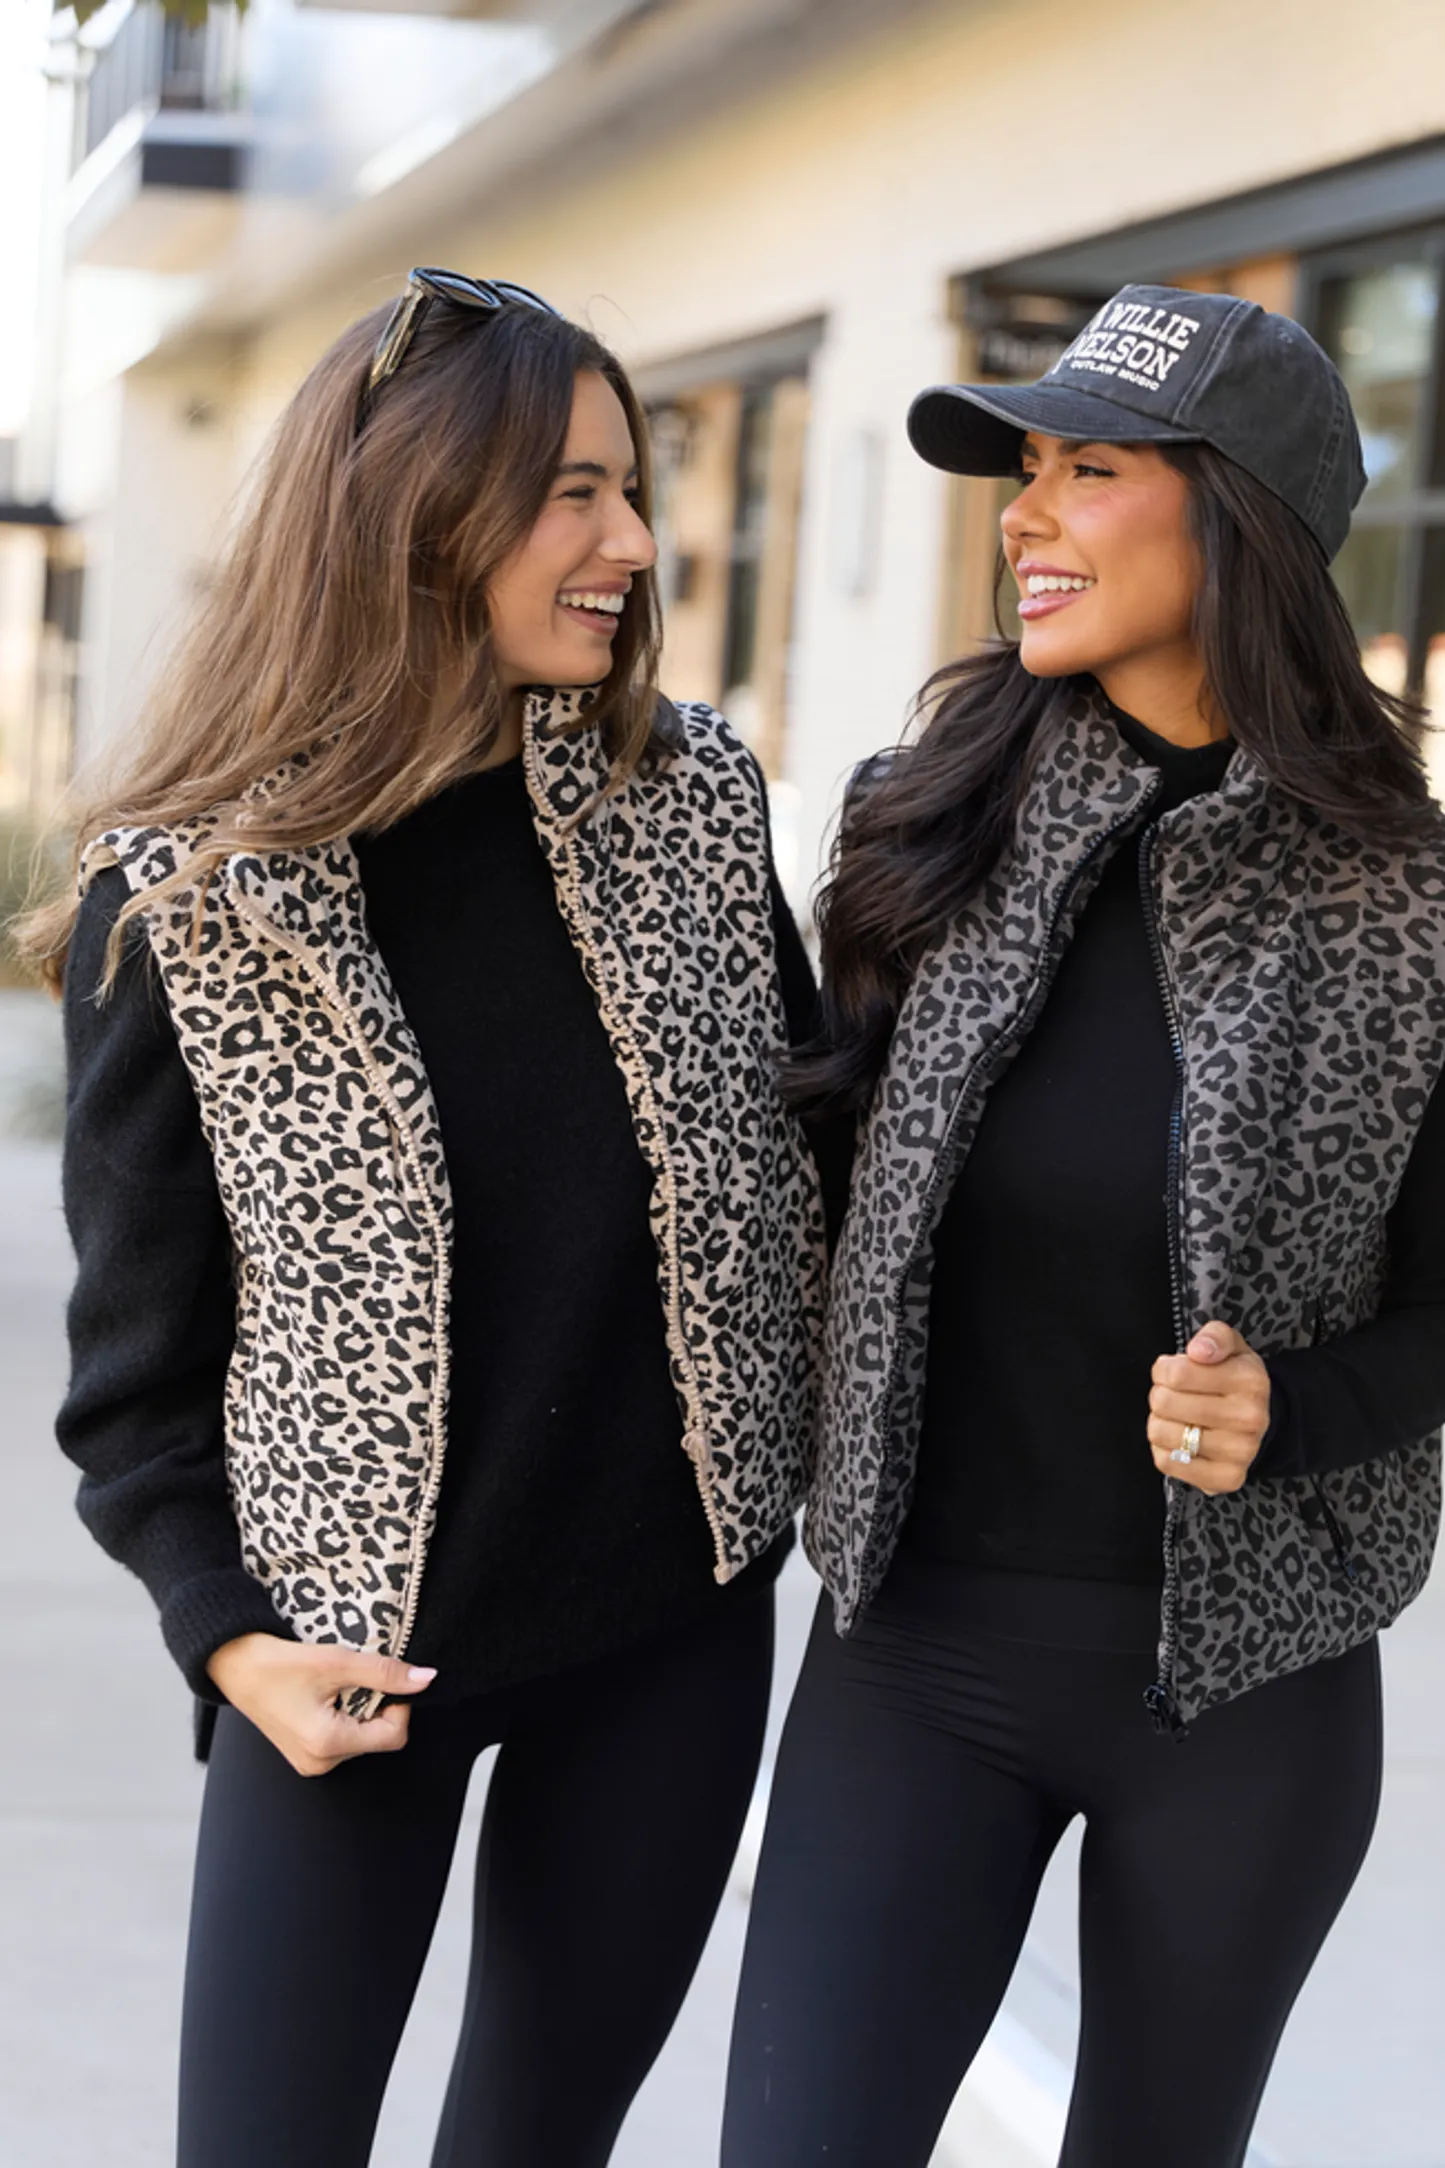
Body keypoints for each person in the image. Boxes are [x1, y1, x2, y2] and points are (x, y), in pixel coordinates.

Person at [27, 268, 826, 2168]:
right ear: (415, 513)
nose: (634, 543)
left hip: (670, 1639)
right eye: (573, 493)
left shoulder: (693, 806)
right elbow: (135, 1383)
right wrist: (233, 1645)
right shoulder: (192, 903)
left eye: (632, 488)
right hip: (346, 1665)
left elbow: (823, 1156)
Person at [721, 284, 1445, 2168]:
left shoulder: (1409, 899)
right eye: (1025, 470)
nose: (1026, 516)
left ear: (1242, 520)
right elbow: (793, 1194)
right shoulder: (919, 829)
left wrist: (1295, 1405)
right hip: (914, 1661)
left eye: (1090, 471)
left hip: (1252, 1696)